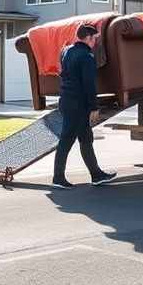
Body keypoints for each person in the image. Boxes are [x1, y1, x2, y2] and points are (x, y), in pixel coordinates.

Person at [52, 23, 117, 189]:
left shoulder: (67, 51)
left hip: (67, 100)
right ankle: (58, 178)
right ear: (88, 38)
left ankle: (96, 175)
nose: (95, 42)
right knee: (67, 139)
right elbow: (89, 84)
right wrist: (94, 107)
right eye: (95, 38)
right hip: (78, 104)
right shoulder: (87, 56)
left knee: (86, 139)